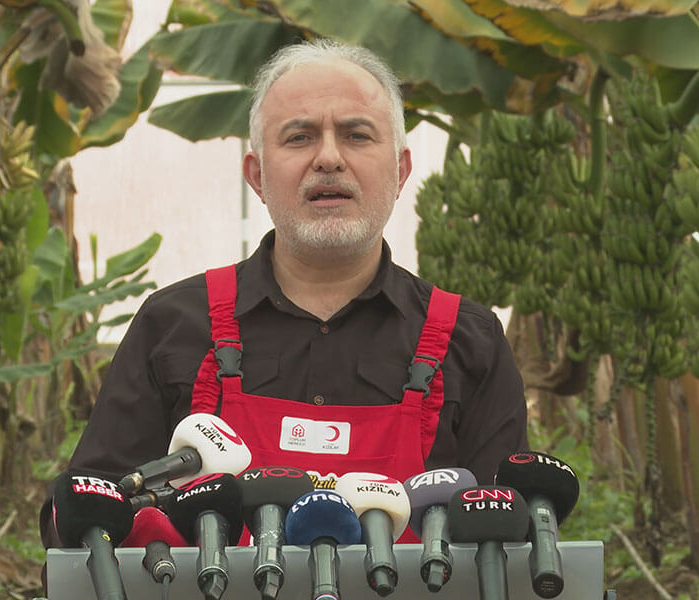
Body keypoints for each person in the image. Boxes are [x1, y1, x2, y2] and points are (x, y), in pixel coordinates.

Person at [40, 38, 528, 549]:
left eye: (357, 135)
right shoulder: (174, 325)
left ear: (401, 170)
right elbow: (83, 519)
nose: (329, 158)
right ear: (257, 174)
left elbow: (514, 547)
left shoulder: (470, 341)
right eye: (299, 137)